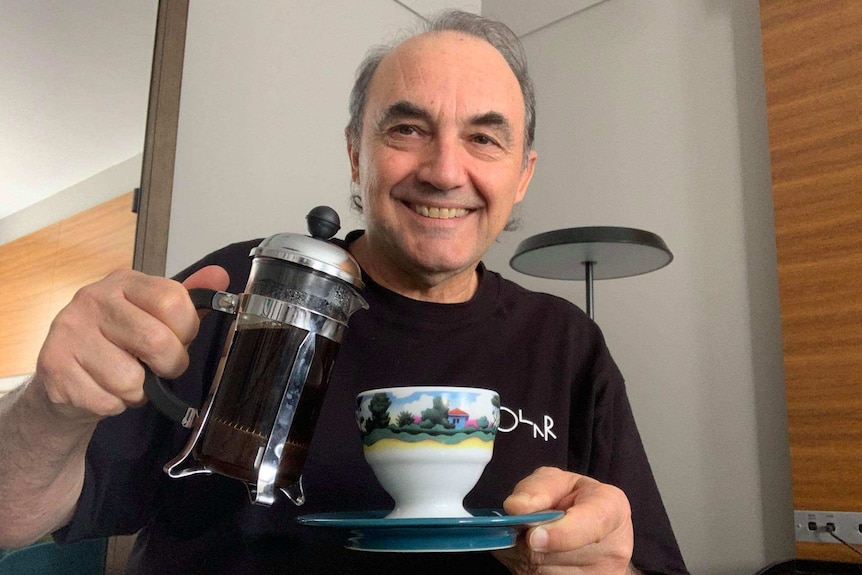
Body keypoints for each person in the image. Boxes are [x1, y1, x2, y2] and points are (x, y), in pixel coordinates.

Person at [0, 10, 688, 575]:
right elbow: (12, 513)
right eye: (408, 128)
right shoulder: (243, 286)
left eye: (484, 138)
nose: (446, 170)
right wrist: (46, 410)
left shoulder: (568, 344)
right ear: (357, 154)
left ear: (523, 175)